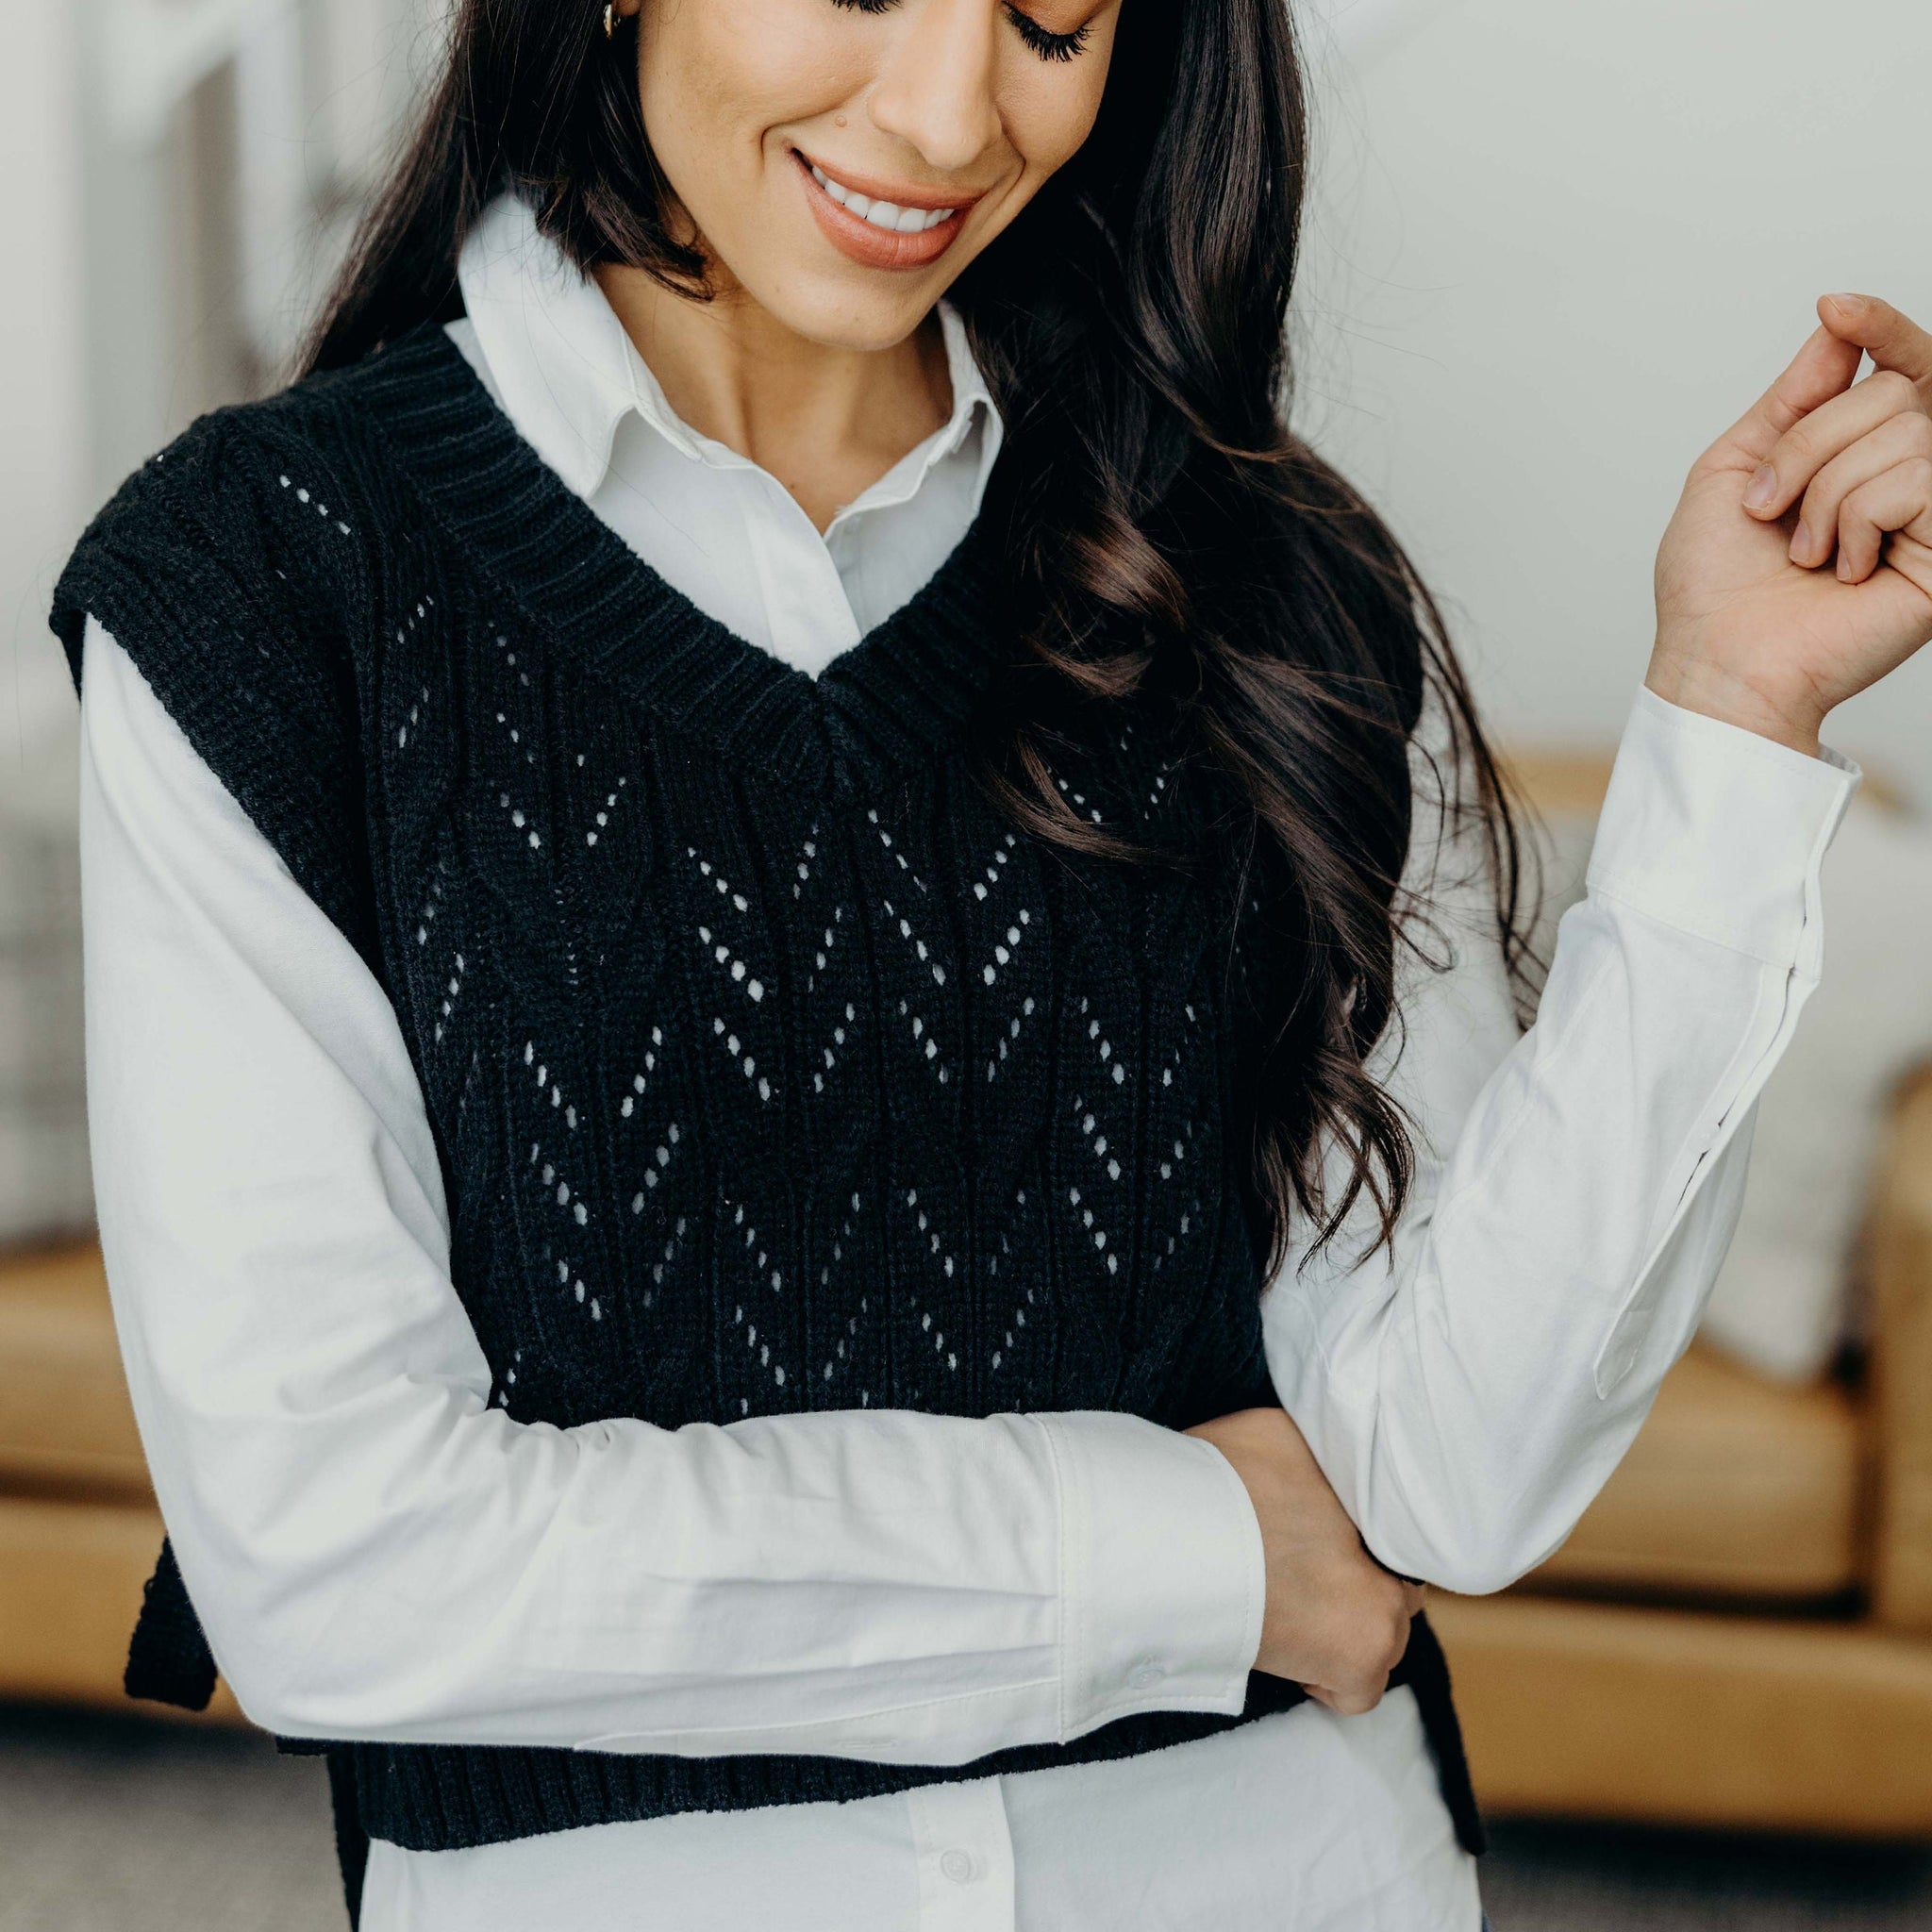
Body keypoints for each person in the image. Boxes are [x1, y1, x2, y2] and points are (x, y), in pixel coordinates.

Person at [50, 0, 1932, 1927]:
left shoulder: (1272, 591)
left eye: (1052, 18)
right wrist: (1200, 1559)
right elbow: (334, 1560)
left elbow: (1454, 1465)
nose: (951, 114)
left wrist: (1729, 720)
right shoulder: (267, 591)